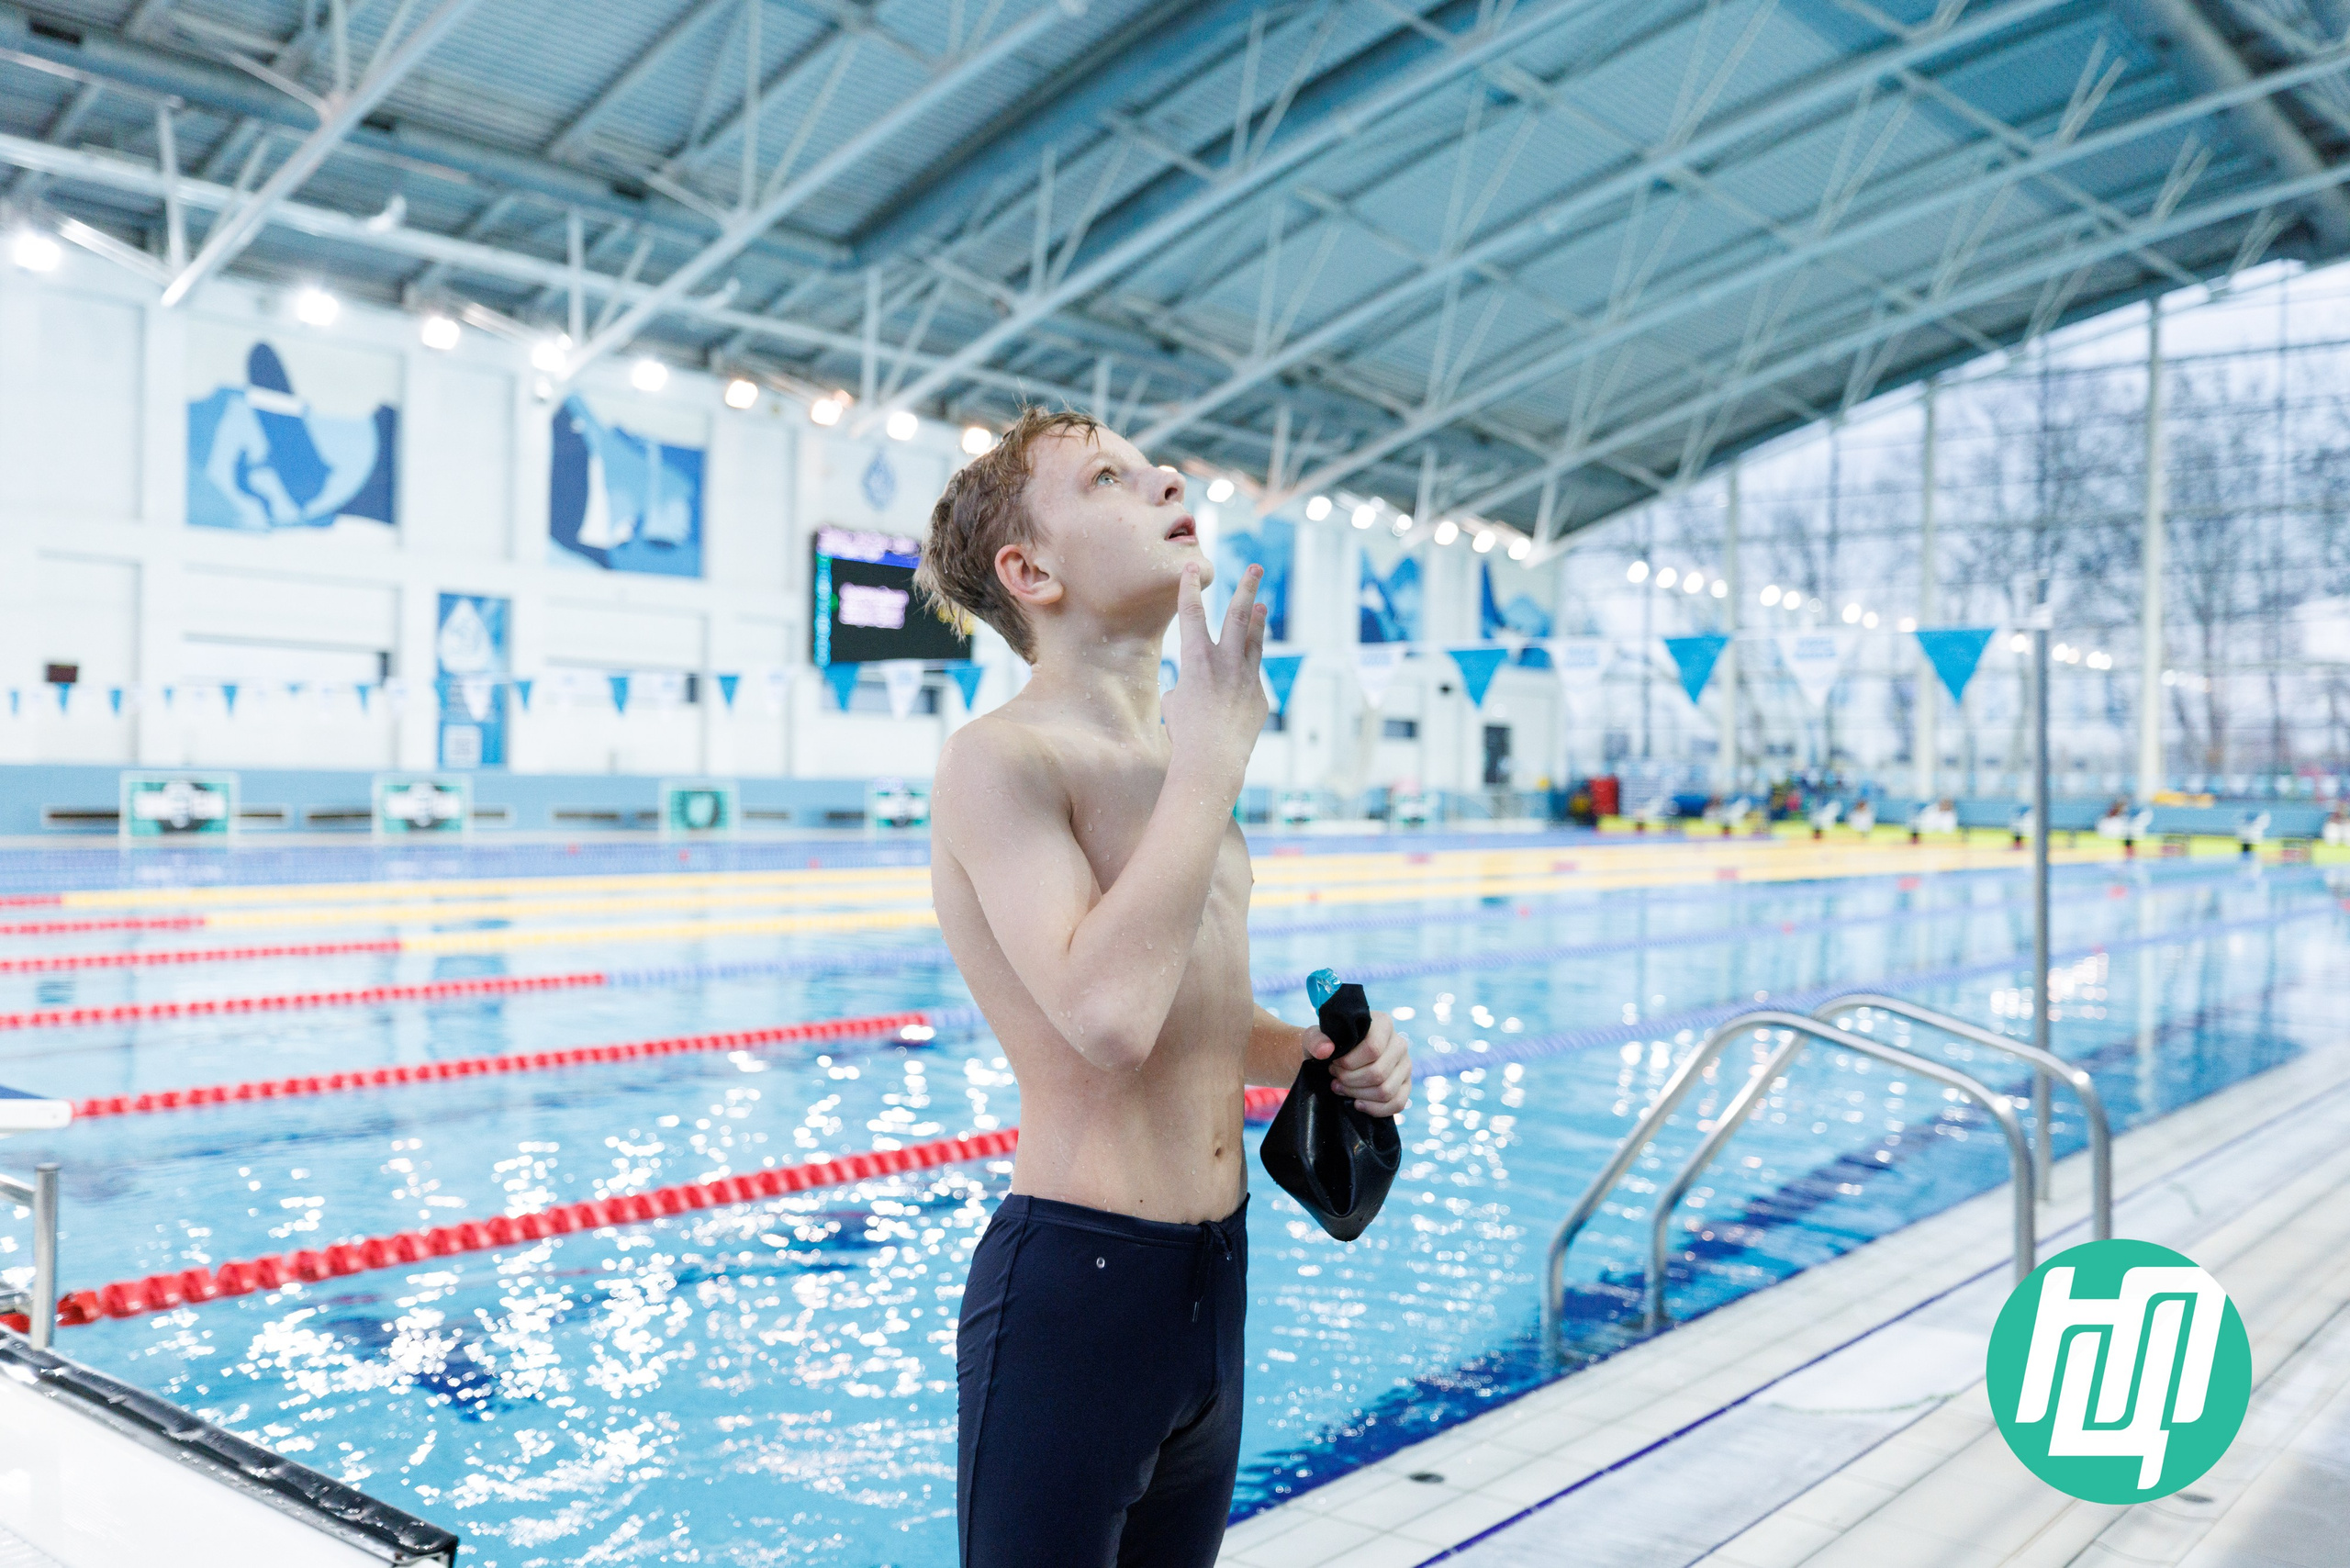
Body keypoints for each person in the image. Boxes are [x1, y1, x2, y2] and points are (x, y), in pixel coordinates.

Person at [916, 408, 1416, 1567]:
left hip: (1211, 1288)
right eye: (1107, 476)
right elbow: (1105, 1019)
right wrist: (1213, 760)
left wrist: (1312, 1051)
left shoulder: (1178, 761)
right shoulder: (1004, 761)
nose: (1166, 477)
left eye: (1150, 467)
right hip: (1074, 1298)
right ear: (1028, 571)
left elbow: (1188, 1007)